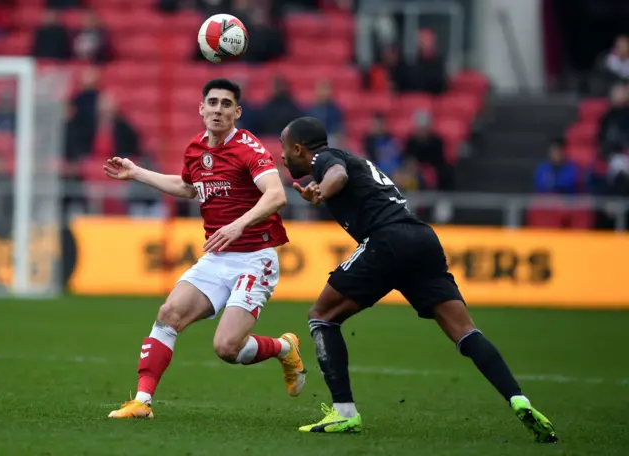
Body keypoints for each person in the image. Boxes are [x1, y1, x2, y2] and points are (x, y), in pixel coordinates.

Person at [279, 117, 557, 443]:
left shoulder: (323, 159)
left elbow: (336, 176)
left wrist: (320, 191)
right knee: (465, 331)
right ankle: (518, 398)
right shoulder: (353, 161)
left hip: (386, 240)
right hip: (422, 238)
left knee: (321, 316)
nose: (282, 157)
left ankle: (344, 412)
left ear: (299, 148)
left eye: (284, 150)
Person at [102, 79, 306, 419]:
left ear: (237, 112)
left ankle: (285, 348)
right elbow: (187, 188)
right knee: (169, 314)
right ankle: (142, 402)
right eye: (212, 102)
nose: (218, 109)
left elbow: (277, 195)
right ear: (201, 108)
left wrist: (239, 223)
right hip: (217, 257)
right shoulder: (196, 149)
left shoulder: (249, 148)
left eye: (226, 104)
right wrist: (136, 172)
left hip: (255, 258)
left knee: (226, 348)